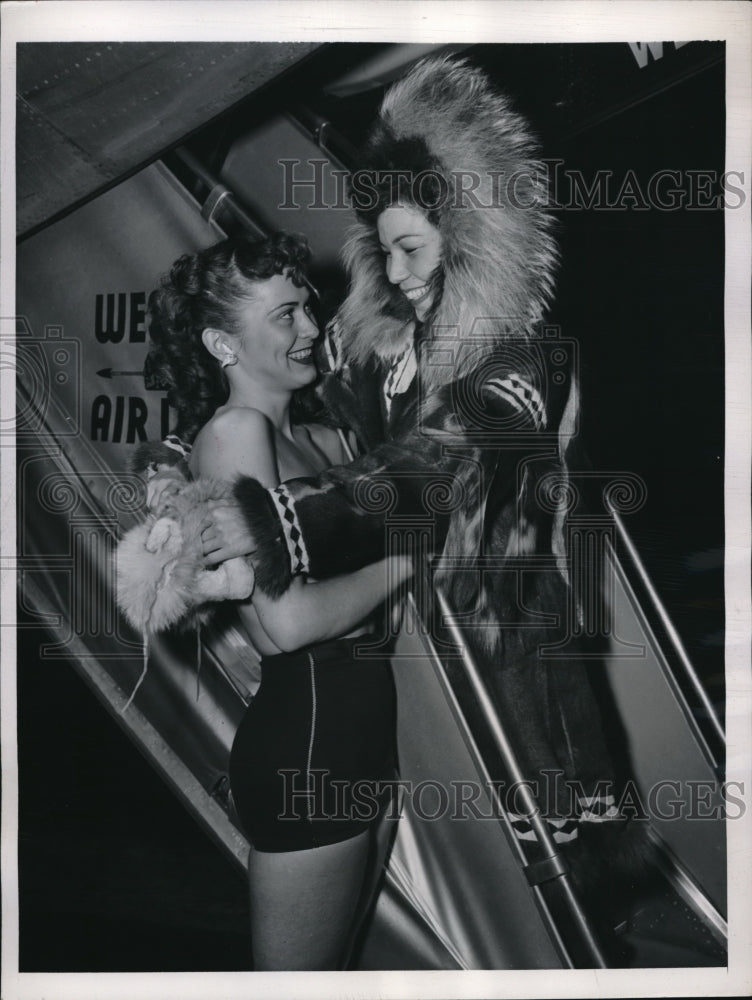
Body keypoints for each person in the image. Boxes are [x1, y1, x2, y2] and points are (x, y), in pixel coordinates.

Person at [202, 55, 649, 920]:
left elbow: (430, 465)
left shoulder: (519, 354)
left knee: (548, 899)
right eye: (385, 249)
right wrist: (183, 480)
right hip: (410, 657)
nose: (399, 270)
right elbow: (280, 392)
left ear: (468, 234)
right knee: (471, 893)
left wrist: (285, 523)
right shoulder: (381, 344)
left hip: (504, 649)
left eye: (413, 247)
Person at [141, 232, 411, 970]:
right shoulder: (234, 434)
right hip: (309, 746)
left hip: (366, 738)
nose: (312, 330)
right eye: (285, 316)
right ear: (223, 345)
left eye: (309, 309)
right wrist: (411, 558)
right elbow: (284, 627)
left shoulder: (330, 438)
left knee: (339, 972)